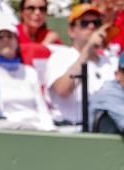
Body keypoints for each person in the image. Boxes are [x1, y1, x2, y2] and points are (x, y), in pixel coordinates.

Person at [44, 3, 117, 131]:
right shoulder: (60, 56)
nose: (91, 26)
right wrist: (87, 50)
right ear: (72, 31)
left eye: (96, 23)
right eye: (84, 23)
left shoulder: (109, 61)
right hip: (70, 130)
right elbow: (62, 90)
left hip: (103, 129)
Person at [0, 20, 55, 130]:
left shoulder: (30, 71)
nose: (5, 40)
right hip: (7, 129)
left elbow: (42, 108)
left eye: (9, 36)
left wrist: (50, 129)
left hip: (37, 128)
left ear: (17, 42)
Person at [16, 0, 60, 66]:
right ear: (21, 12)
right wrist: (45, 45)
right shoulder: (12, 34)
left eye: (42, 9)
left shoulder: (51, 36)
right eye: (31, 8)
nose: (37, 12)